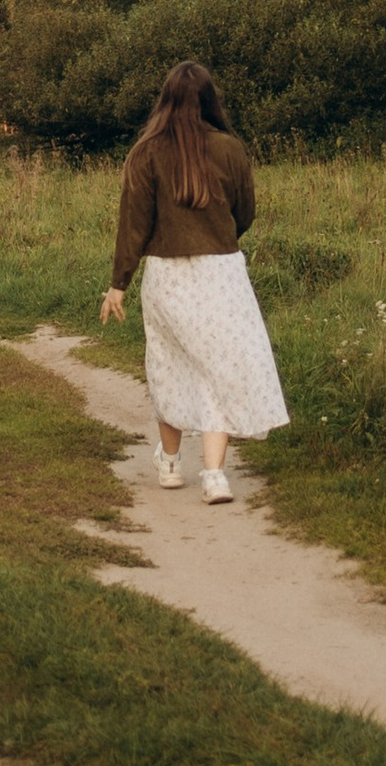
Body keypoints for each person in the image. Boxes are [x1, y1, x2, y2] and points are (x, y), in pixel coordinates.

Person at [99, 60, 286, 505]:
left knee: (169, 365)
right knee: (217, 367)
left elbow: (134, 225)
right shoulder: (229, 149)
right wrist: (218, 237)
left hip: (167, 275)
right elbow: (246, 214)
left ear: (165, 98)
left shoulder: (146, 152)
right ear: (209, 99)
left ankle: (168, 463)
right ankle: (215, 476)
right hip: (222, 272)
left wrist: (118, 284)